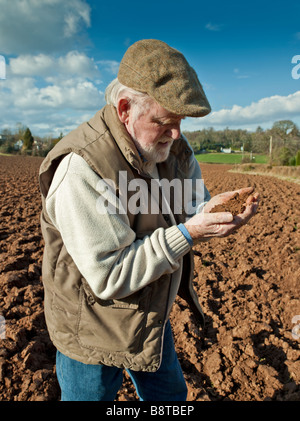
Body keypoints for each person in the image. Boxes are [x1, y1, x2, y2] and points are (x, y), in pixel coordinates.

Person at [39, 39, 259, 401]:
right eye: (164, 122)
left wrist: (211, 215)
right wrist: (190, 232)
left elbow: (191, 209)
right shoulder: (83, 168)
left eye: (180, 122)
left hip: (149, 316)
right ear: (125, 108)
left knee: (170, 400)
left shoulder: (173, 150)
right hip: (91, 329)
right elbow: (109, 274)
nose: (176, 135)